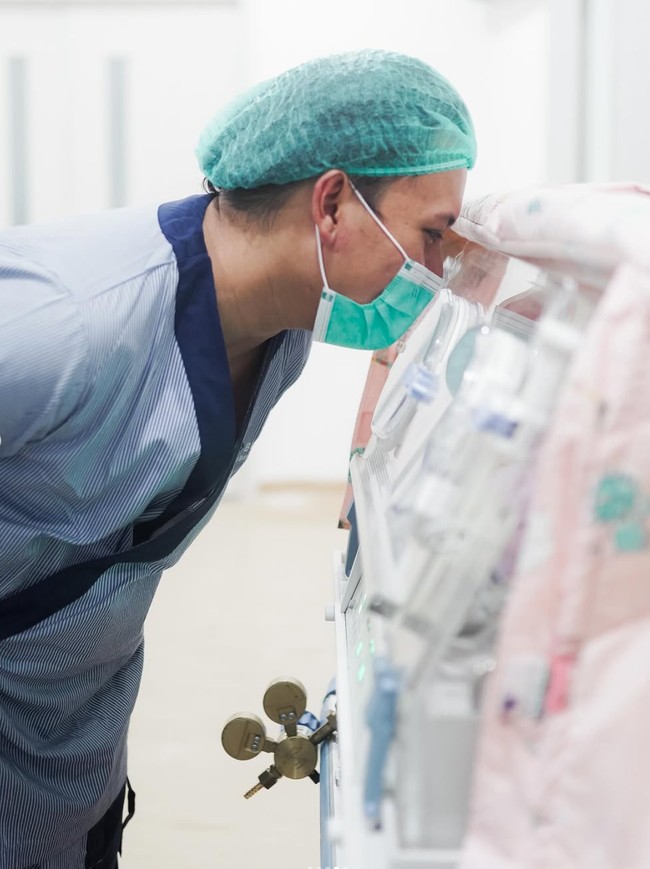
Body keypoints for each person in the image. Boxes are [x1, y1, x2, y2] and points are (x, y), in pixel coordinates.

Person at [0, 49, 476, 867]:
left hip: (68, 737)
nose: (436, 273)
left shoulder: (278, 329)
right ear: (332, 203)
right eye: (432, 236)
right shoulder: (64, 326)